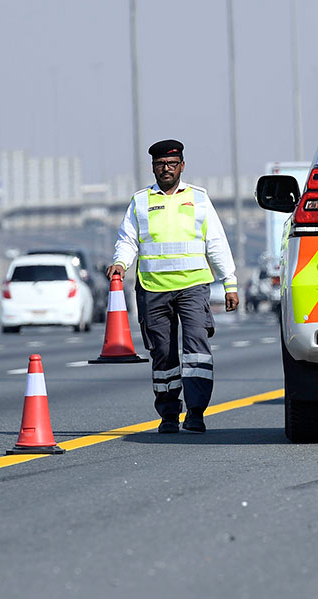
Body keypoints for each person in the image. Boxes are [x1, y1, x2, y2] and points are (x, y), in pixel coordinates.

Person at [108, 139, 238, 434]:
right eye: (159, 165)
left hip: (193, 286)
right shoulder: (140, 201)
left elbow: (215, 242)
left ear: (181, 166)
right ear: (152, 168)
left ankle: (195, 412)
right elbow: (128, 239)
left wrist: (229, 283)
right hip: (153, 288)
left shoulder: (199, 198)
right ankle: (168, 414)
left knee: (196, 350)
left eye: (171, 164)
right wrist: (120, 263)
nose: (165, 169)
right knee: (163, 354)